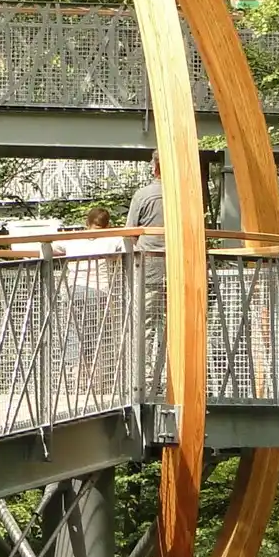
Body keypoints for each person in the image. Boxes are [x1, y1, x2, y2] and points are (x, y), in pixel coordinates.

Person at [126, 151, 168, 386]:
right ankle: (171, 374)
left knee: (147, 321)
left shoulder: (143, 195)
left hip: (149, 264)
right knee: (174, 321)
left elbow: (130, 232)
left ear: (154, 168)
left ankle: (146, 377)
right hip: (179, 265)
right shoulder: (183, 196)